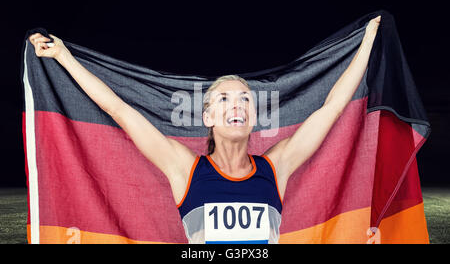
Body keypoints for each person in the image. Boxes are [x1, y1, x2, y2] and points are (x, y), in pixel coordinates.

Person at [28, 15, 380, 243]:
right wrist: (63, 57)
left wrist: (368, 40)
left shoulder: (277, 166)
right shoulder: (185, 168)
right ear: (208, 118)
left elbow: (332, 108)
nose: (237, 105)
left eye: (245, 100)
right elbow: (117, 108)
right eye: (225, 100)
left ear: (254, 117)